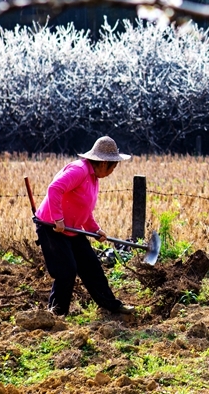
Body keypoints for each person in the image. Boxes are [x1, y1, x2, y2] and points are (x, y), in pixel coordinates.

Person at [35, 135, 135, 316]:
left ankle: (112, 306)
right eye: (114, 166)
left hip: (71, 228)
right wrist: (58, 219)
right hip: (52, 227)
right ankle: (56, 315)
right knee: (66, 271)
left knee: (91, 266)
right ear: (104, 163)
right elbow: (54, 188)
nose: (114, 170)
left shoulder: (93, 178)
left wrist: (94, 229)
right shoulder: (79, 170)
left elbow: (82, 209)